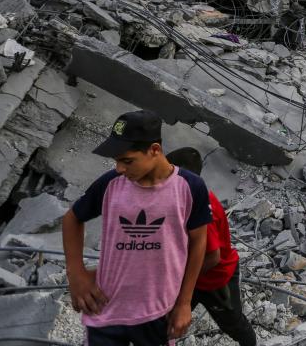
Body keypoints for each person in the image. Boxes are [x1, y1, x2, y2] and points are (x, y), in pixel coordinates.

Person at [62, 110, 211, 345]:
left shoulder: (189, 187)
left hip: (157, 310)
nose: (120, 168)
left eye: (127, 160)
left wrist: (184, 302)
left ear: (154, 150)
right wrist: (76, 273)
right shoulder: (111, 184)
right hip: (106, 307)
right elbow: (72, 219)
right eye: (116, 161)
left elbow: (199, 242)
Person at [165, 148, 256, 346]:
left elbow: (213, 256)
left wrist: (183, 278)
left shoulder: (202, 207)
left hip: (216, 278)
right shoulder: (183, 198)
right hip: (194, 275)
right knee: (166, 319)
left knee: (233, 324)